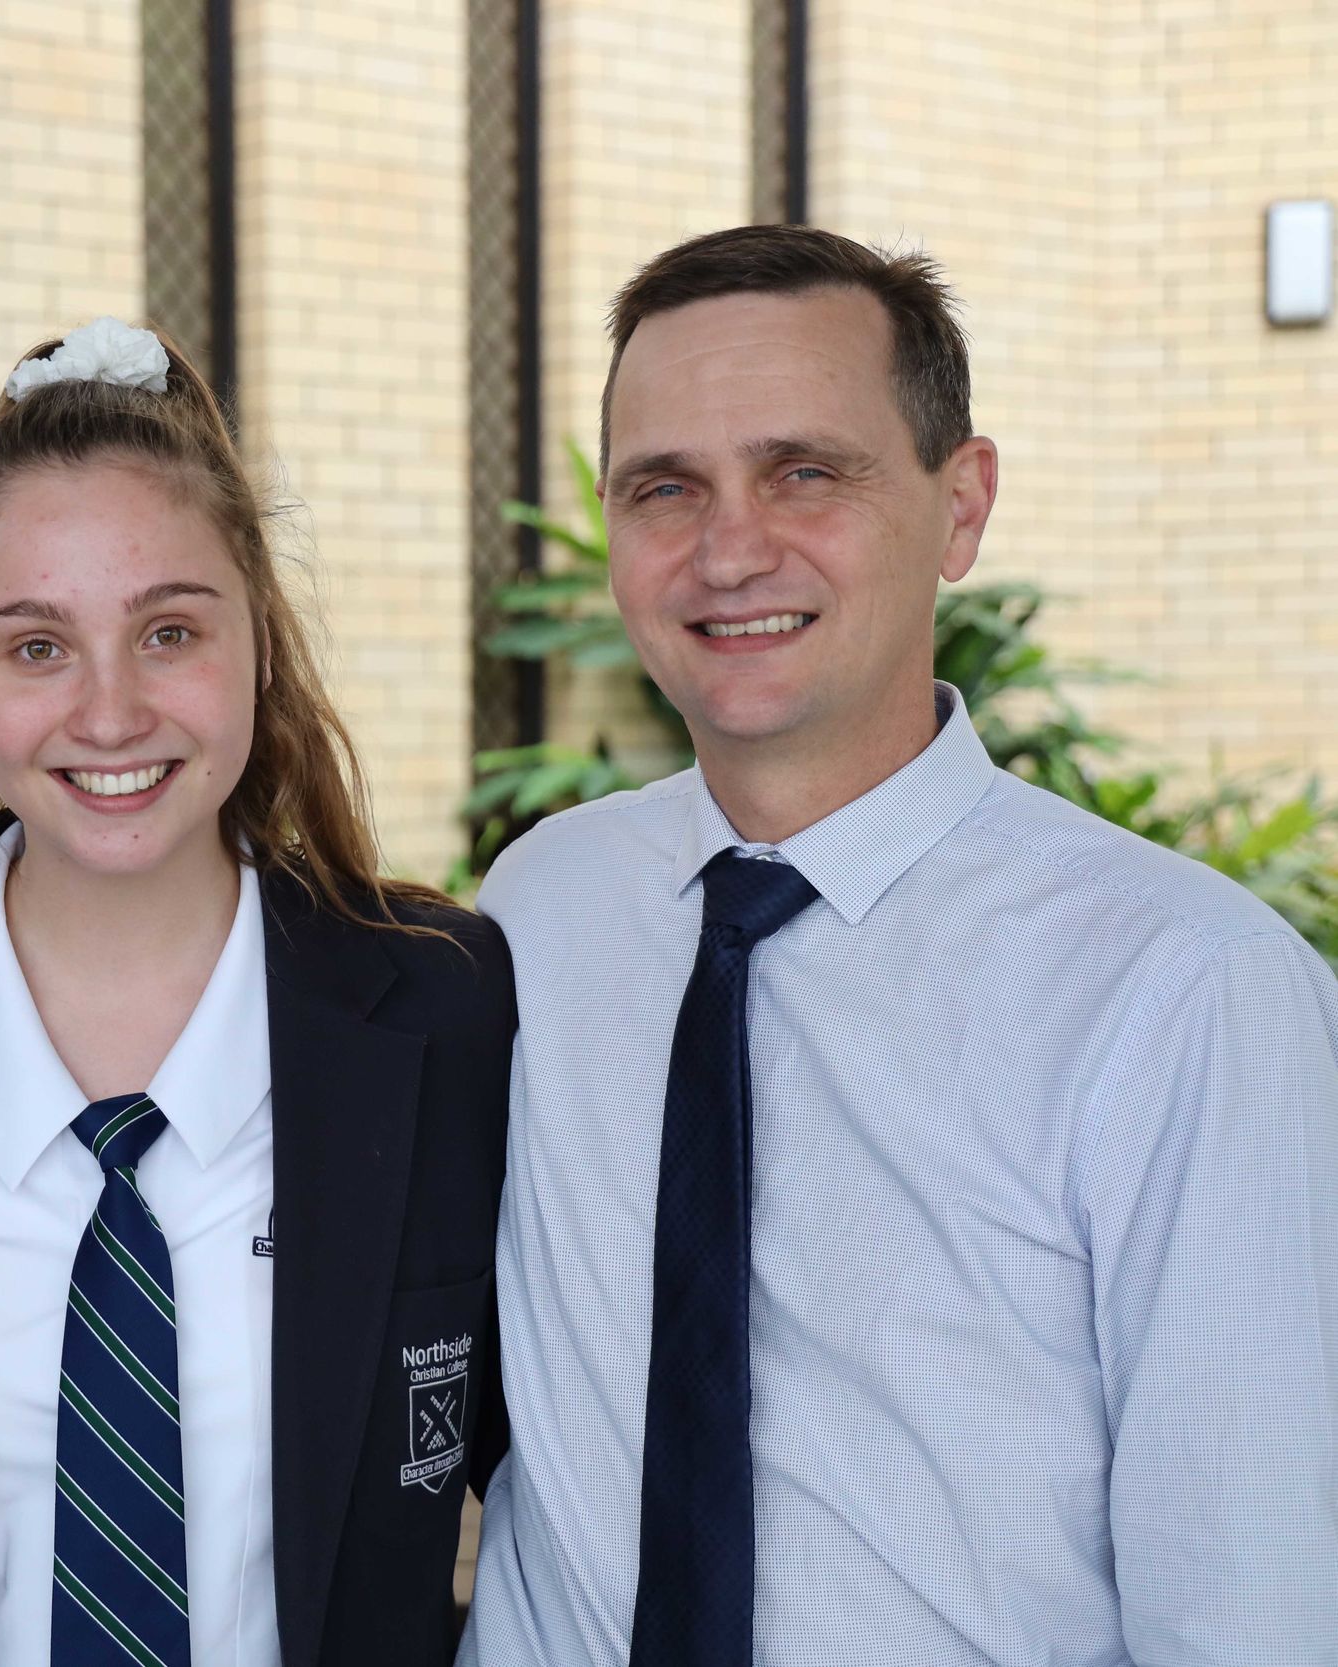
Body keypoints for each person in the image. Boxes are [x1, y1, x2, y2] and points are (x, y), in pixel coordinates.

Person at [458, 224, 1338, 1667]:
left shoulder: (1188, 992)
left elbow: (1252, 1607)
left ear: (962, 506)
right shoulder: (541, 908)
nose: (729, 549)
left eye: (806, 471)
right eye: (663, 487)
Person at [0, 318, 514, 1667]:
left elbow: (567, 1465)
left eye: (170, 630)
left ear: (260, 640)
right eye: (36, 646)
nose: (109, 711)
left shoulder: (449, 1005)